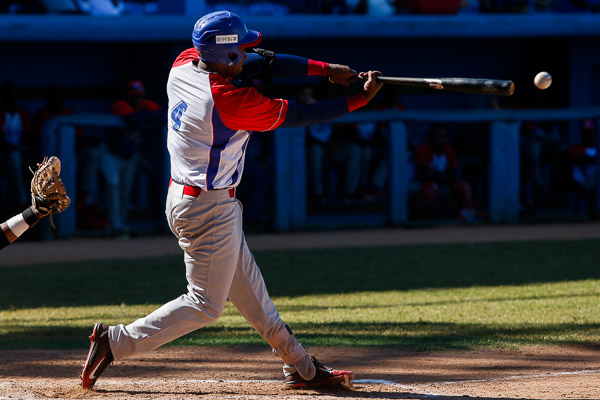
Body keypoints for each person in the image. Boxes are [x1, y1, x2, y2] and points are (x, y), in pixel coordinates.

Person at [80, 10, 382, 390]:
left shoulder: (185, 62)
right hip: (207, 209)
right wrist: (358, 100)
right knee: (205, 305)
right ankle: (114, 342)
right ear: (225, 57)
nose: (246, 53)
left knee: (253, 296)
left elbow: (260, 64)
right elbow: (302, 115)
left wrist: (326, 70)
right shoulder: (230, 100)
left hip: (194, 200)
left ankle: (301, 366)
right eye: (239, 49)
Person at [413, 123, 475, 220]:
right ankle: (427, 217)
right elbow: (422, 175)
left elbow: (455, 175)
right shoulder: (423, 149)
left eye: (443, 136)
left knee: (463, 186)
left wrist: (440, 176)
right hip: (423, 184)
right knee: (430, 188)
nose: (440, 140)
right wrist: (441, 176)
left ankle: (464, 214)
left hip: (443, 183)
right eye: (437, 136)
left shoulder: (448, 150)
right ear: (431, 137)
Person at [0, 81, 31, 214]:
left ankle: (38, 202)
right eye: (8, 95)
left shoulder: (22, 112)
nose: (11, 98)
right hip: (3, 154)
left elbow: (29, 135)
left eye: (14, 95)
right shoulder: (1, 112)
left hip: (21, 151)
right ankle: (22, 201)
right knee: (14, 158)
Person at [568, 119, 597, 217]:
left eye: (591, 133)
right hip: (583, 184)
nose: (588, 136)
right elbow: (579, 158)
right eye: (586, 133)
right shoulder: (576, 148)